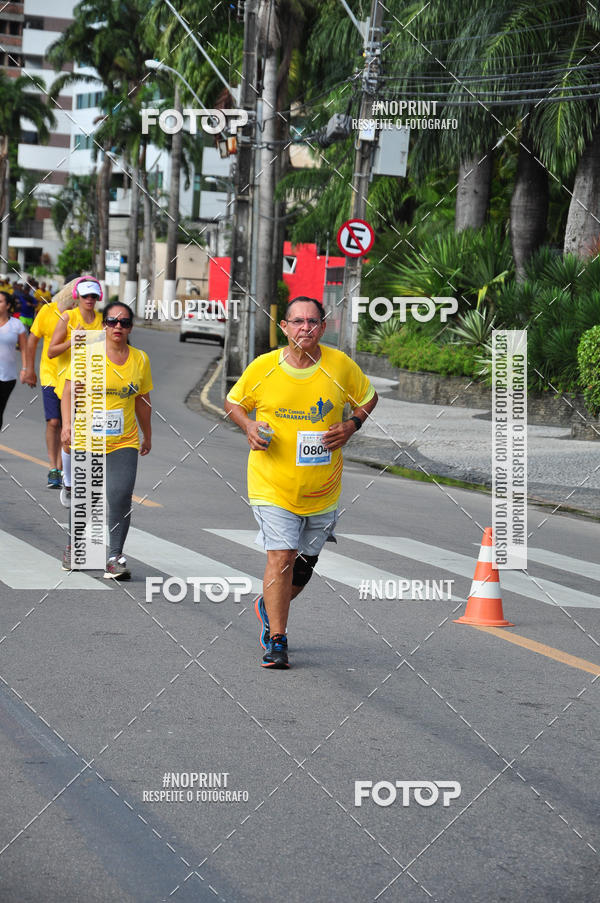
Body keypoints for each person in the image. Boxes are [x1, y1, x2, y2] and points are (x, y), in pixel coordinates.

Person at [224, 296, 378, 668]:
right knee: (281, 557)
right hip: (271, 483)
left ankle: (268, 604)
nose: (304, 328)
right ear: (285, 327)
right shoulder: (264, 367)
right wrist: (247, 426)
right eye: (297, 321)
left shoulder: (340, 366)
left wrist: (351, 425)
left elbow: (369, 399)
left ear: (323, 327)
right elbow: (234, 402)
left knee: (303, 565)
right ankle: (278, 639)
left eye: (312, 321)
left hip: (322, 487)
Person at [60, 301, 152, 579]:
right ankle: (75, 547)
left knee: (120, 496)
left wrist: (147, 434)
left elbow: (143, 400)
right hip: (87, 438)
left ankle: (114, 556)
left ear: (130, 328)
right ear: (104, 326)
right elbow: (67, 392)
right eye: (112, 321)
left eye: (124, 322)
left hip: (123, 439)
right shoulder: (87, 355)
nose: (118, 327)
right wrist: (66, 426)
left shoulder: (140, 359)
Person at [48, 276, 104, 500]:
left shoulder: (102, 320)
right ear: (77, 297)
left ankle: (89, 480)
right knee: (68, 435)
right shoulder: (68, 317)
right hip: (70, 383)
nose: (89, 300)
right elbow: (52, 351)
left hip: (95, 383)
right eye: (85, 296)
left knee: (93, 434)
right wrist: (73, 340)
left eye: (93, 296)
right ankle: (69, 482)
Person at [25, 278, 80, 488]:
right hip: (50, 374)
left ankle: (64, 466)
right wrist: (29, 369)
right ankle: (53, 468)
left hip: (76, 376)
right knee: (54, 422)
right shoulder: (48, 311)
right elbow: (32, 340)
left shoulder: (85, 316)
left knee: (71, 426)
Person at [0, 290, 32, 431]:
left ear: (7, 305)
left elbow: (25, 349)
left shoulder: (16, 325)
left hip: (7, 377)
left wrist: (25, 369)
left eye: (0, 302)